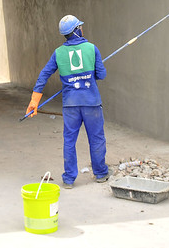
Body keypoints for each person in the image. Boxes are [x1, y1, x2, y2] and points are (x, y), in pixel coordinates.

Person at [26, 15, 109, 189]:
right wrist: (90, 73)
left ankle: (69, 179)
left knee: (69, 140)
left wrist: (34, 101)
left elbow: (43, 75)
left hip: (71, 105)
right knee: (96, 139)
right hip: (91, 103)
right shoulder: (92, 49)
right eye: (80, 26)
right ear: (77, 30)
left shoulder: (58, 53)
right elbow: (101, 75)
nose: (82, 28)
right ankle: (100, 173)